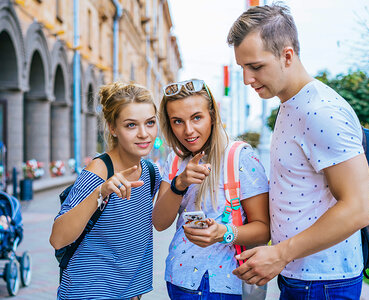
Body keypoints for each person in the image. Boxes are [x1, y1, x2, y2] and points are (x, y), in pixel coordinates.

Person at [227, 4, 369, 299]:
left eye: (255, 66)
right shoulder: (290, 104)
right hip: (302, 278)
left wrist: (281, 253)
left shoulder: (321, 111)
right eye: (242, 68)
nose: (247, 79)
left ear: (287, 55)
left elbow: (358, 209)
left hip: (323, 283)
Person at [152, 79, 270, 299]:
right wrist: (179, 185)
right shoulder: (175, 161)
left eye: (197, 117)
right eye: (177, 121)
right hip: (179, 279)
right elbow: (159, 223)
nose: (188, 130)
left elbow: (264, 229)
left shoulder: (241, 157)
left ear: (213, 116)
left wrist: (223, 233)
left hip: (226, 283)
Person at [49, 82, 161, 300]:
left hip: (129, 293)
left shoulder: (151, 173)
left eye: (150, 123)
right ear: (112, 128)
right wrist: (100, 192)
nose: (144, 134)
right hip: (89, 292)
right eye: (131, 125)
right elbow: (58, 239)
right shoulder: (98, 171)